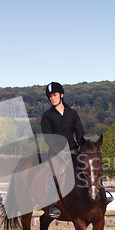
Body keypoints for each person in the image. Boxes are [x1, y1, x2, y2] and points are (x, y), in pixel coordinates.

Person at [41, 82, 84, 218]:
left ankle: (99, 196)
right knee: (55, 175)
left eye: (54, 95)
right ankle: (54, 205)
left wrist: (81, 147)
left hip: (73, 150)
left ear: (61, 95)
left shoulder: (72, 114)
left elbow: (79, 132)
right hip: (56, 153)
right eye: (50, 96)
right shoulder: (47, 116)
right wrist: (60, 151)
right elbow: (48, 138)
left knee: (90, 168)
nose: (52, 98)